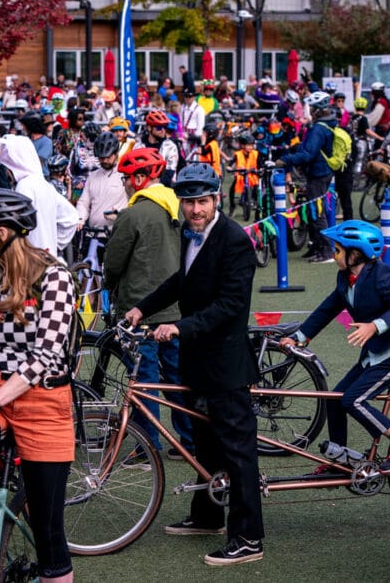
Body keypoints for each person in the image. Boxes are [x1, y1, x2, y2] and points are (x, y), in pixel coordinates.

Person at [125, 162, 265, 567]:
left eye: (202, 201)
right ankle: (208, 517)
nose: (195, 210)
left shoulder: (235, 240)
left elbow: (232, 306)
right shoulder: (189, 233)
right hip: (197, 360)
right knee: (204, 444)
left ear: (216, 199)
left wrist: (179, 327)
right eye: (189, 202)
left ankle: (249, 538)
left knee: (238, 452)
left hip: (225, 362)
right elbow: (179, 282)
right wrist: (142, 308)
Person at [0, 189, 77, 583]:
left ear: (2, 233)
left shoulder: (55, 278)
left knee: (48, 529)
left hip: (42, 400)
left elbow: (46, 358)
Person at [280, 220, 390, 472]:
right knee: (336, 400)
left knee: (353, 400)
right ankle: (342, 458)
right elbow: (327, 309)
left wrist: (374, 326)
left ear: (355, 254)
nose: (334, 254)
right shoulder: (344, 278)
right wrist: (299, 337)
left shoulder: (382, 275)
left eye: (337, 250)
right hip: (375, 354)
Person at [105, 148, 193, 459]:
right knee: (179, 375)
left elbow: (113, 263)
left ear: (140, 179)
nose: (124, 184)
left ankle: (147, 446)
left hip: (138, 308)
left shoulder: (133, 214)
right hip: (176, 307)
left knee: (144, 380)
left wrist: (109, 286)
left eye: (126, 179)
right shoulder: (181, 206)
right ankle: (187, 441)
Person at [277, 92, 337, 263]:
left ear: (316, 109)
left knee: (316, 212)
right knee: (313, 210)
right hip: (322, 171)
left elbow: (309, 154)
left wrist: (285, 159)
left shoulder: (318, 128)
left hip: (318, 172)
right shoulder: (327, 123)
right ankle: (316, 246)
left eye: (309, 107)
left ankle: (326, 251)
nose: (307, 111)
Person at [0, 135, 78, 255]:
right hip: (47, 255)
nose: (7, 171)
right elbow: (71, 217)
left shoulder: (24, 186)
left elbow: (19, 226)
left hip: (31, 258)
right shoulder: (43, 184)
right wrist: (54, 243)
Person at [75, 131, 127, 232]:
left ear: (116, 154)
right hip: (92, 233)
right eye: (101, 158)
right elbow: (84, 202)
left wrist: (120, 214)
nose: (105, 161)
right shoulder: (92, 176)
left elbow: (133, 203)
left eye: (108, 157)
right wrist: (80, 218)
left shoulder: (125, 175)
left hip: (116, 234)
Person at [141, 110, 181, 186]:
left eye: (165, 127)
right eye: (159, 127)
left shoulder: (170, 146)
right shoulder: (139, 145)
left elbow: (169, 174)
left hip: (164, 187)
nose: (163, 130)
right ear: (149, 128)